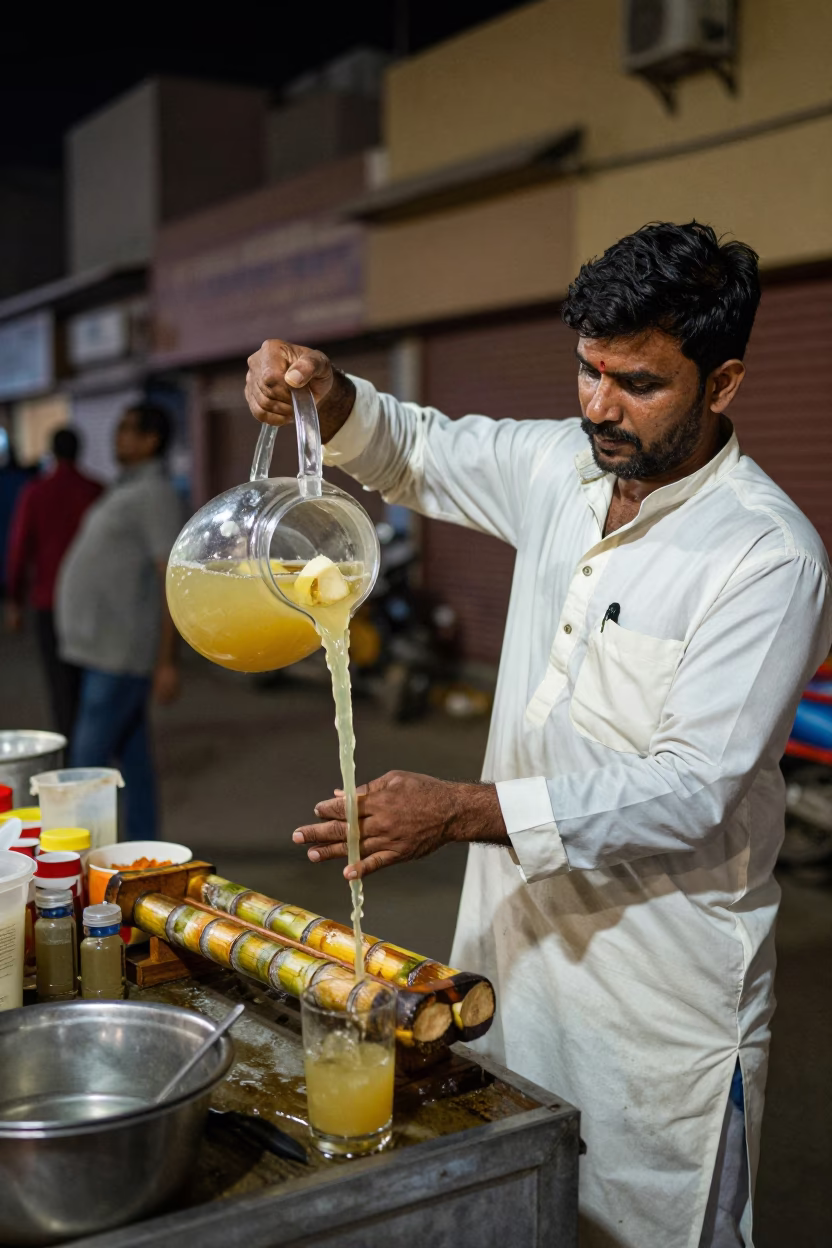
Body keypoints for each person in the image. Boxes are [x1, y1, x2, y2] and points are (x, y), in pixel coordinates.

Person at [245, 222, 832, 1248]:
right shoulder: (561, 468)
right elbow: (417, 447)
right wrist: (323, 391)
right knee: (514, 1202)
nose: (598, 405)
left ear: (723, 381)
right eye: (587, 371)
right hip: (513, 957)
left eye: (637, 383)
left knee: (642, 1225)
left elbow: (691, 788)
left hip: (657, 1002)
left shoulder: (763, 556)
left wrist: (462, 809)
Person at [56, 404, 183, 841]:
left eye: (129, 429)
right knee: (134, 759)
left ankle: (69, 860)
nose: (118, 436)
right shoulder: (127, 489)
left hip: (121, 652)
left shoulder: (156, 494)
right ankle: (146, 845)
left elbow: (173, 578)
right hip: (103, 648)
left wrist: (167, 661)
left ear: (152, 440)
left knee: (85, 763)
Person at [5, 428, 102, 741]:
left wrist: (14, 601)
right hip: (91, 601)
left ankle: (73, 749)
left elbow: (20, 550)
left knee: (60, 682)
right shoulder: (95, 490)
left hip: (49, 602)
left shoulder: (36, 492)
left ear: (52, 452)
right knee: (91, 675)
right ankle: (93, 742)